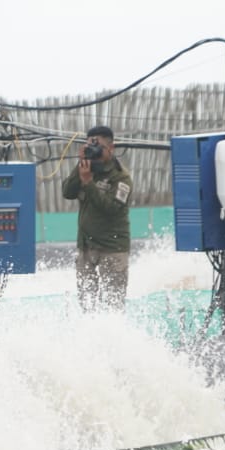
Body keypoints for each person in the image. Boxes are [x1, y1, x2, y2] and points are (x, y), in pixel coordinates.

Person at [61, 124, 132, 312]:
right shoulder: (86, 169)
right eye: (90, 146)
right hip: (86, 247)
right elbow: (67, 192)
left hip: (112, 249)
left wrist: (89, 183)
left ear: (111, 148)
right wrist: (80, 166)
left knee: (113, 305)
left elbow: (111, 208)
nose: (94, 151)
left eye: (98, 147)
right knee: (87, 304)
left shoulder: (121, 177)